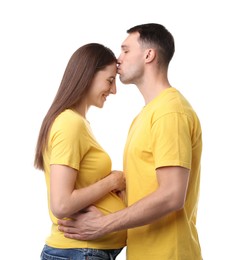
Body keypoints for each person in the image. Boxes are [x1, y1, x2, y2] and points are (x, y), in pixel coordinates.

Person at [58, 23, 203, 259]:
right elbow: (146, 190)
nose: (118, 58)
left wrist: (104, 224)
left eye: (125, 50)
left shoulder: (170, 112)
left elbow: (172, 194)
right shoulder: (145, 115)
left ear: (149, 55)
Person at [34, 43, 127, 260]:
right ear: (88, 75)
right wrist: (113, 181)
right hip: (78, 251)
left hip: (82, 252)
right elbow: (61, 204)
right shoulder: (70, 124)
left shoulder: (77, 123)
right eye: (110, 80)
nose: (113, 90)